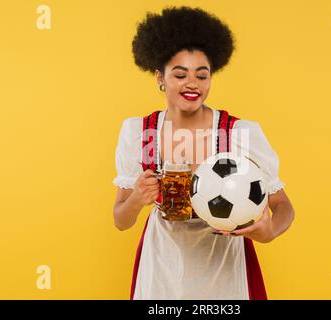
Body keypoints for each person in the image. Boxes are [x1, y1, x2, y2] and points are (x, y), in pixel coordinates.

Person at [112, 6, 295, 300]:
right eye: (180, 74)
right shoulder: (139, 133)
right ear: (160, 77)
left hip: (224, 263)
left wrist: (269, 229)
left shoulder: (238, 133)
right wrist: (136, 198)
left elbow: (284, 205)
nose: (192, 84)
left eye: (202, 75)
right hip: (162, 262)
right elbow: (121, 220)